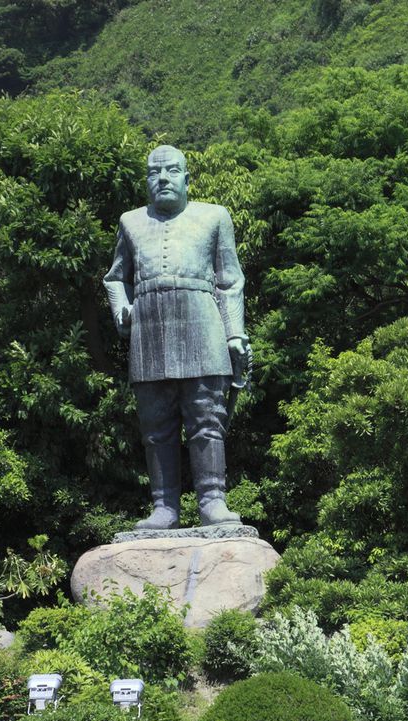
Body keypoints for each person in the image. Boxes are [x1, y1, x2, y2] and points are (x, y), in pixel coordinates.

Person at [104, 144, 250, 529]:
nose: (163, 178)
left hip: (203, 323)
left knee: (207, 417)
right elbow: (116, 278)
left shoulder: (214, 216)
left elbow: (230, 280)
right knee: (156, 424)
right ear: (147, 181)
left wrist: (235, 333)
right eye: (155, 172)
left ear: (187, 177)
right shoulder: (130, 222)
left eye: (171, 171)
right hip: (148, 330)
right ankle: (164, 507)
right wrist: (123, 311)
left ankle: (212, 502)